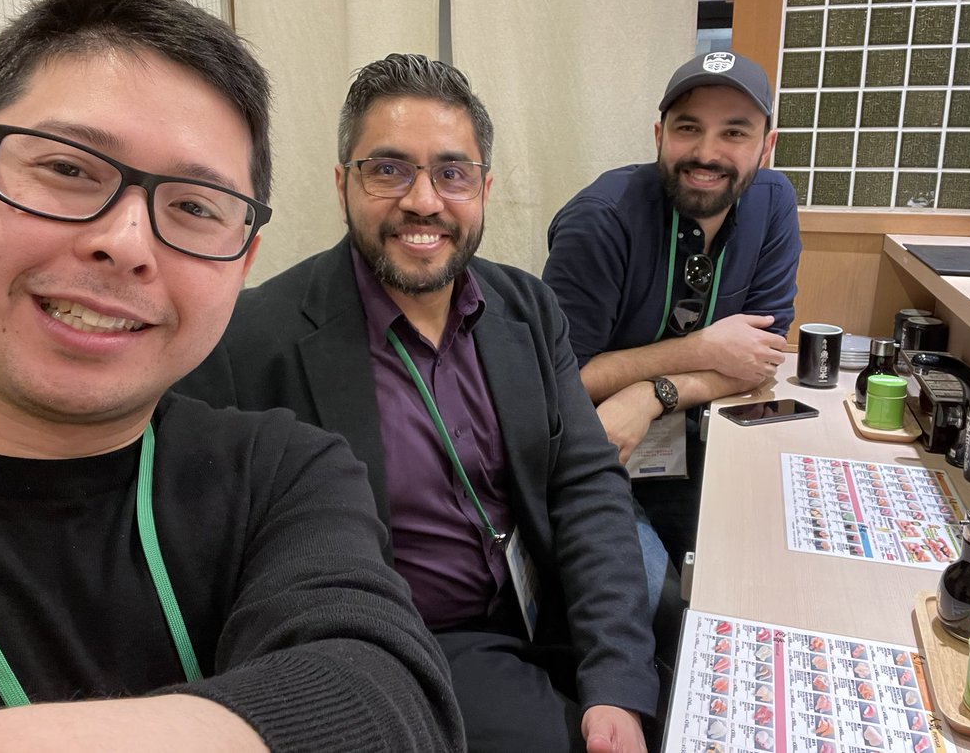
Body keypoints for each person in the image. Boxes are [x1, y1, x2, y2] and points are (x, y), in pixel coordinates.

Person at [0, 0, 463, 752]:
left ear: (242, 261)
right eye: (69, 170)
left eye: (196, 207)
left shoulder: (279, 472)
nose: (127, 243)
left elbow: (382, 691)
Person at [178, 54, 658, 753]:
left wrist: (616, 677)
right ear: (343, 183)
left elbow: (585, 485)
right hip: (409, 645)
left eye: (452, 173)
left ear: (485, 188)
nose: (424, 200)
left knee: (677, 657)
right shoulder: (252, 341)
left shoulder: (526, 306)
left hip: (540, 607)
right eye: (388, 169)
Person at [542, 50, 801, 566]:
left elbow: (759, 358)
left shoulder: (773, 203)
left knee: (758, 561)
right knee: (653, 600)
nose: (707, 153)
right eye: (688, 128)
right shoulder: (601, 221)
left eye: (734, 132)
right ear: (659, 135)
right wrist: (702, 349)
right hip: (597, 446)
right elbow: (556, 379)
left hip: (700, 436)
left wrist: (654, 392)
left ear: (766, 146)